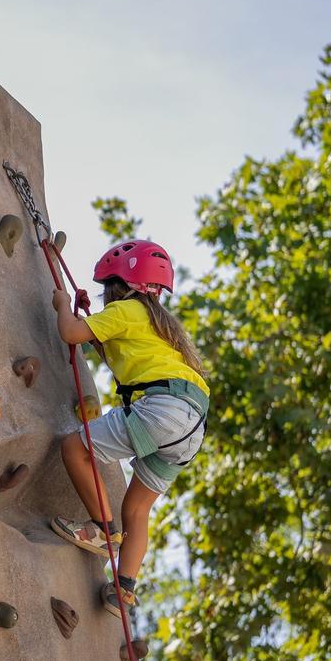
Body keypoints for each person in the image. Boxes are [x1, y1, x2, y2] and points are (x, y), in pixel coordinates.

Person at [48, 240, 209, 618]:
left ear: (121, 287)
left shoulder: (126, 309)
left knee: (75, 447)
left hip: (164, 407)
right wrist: (91, 322)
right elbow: (110, 352)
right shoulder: (154, 323)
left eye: (107, 290)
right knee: (137, 508)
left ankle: (102, 532)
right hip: (192, 423)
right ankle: (124, 590)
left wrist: (61, 305)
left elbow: (71, 334)